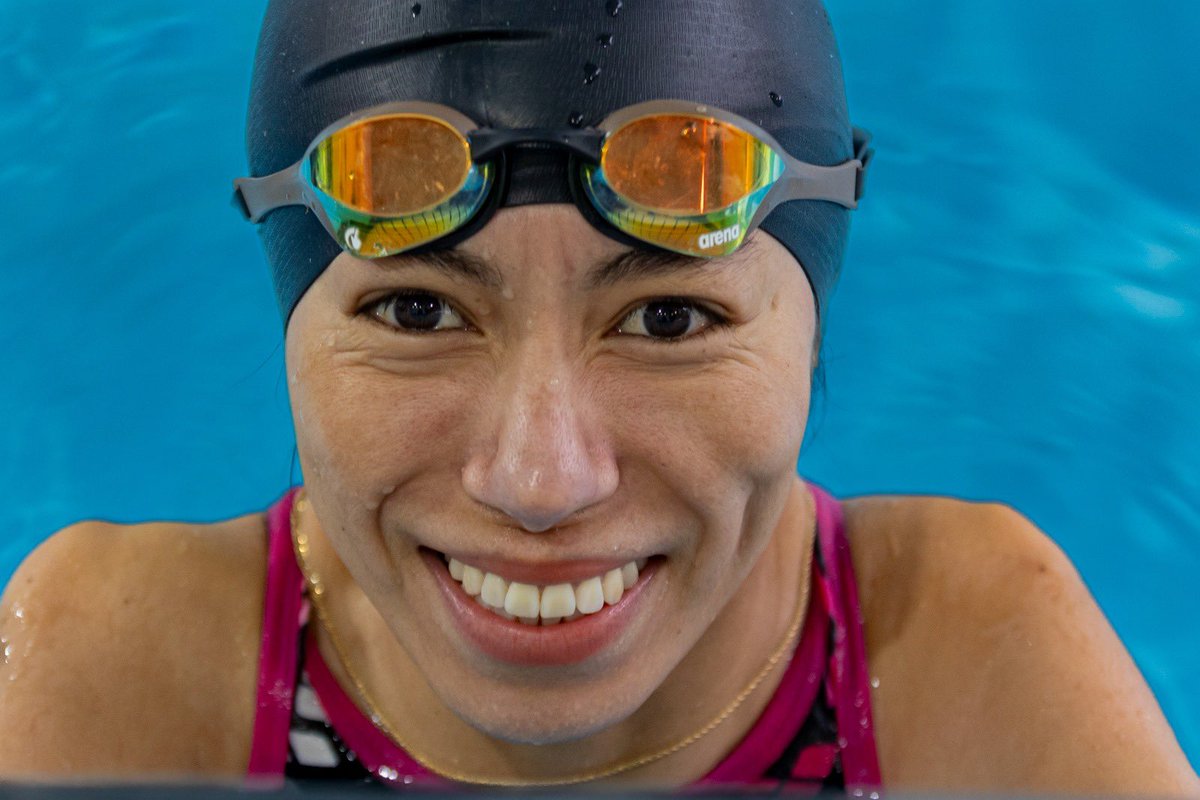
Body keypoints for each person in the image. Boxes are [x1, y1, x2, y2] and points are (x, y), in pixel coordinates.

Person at [0, 0, 1196, 794]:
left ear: (813, 331)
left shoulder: (965, 666)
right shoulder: (136, 671)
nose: (538, 479)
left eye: (669, 317)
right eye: (418, 311)